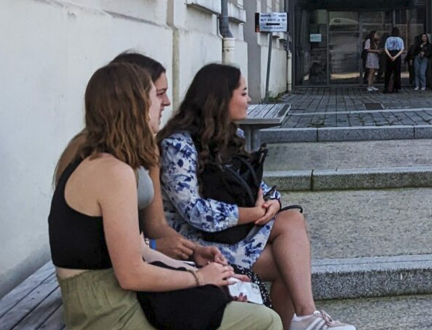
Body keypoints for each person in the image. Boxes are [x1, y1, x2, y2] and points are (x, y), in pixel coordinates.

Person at [51, 62, 279, 330]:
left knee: (240, 304)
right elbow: (131, 274)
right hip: (109, 312)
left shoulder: (107, 162)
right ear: (135, 106)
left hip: (118, 297)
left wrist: (198, 266)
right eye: (155, 96)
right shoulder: (112, 171)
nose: (164, 104)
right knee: (263, 322)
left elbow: (141, 251)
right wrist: (200, 279)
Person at [160, 64, 355, 330]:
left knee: (290, 221)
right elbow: (194, 210)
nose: (249, 99)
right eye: (243, 93)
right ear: (221, 99)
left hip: (228, 232)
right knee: (287, 263)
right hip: (195, 243)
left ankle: (305, 318)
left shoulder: (231, 135)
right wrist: (252, 214)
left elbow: (254, 184)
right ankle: (305, 318)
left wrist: (273, 203)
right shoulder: (178, 145)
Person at [382, 27, 405, 94]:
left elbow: (385, 48)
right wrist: (395, 56)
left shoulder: (388, 39)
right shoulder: (400, 39)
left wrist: (390, 56)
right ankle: (397, 87)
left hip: (389, 54)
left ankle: (386, 87)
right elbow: (402, 49)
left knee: (388, 73)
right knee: (397, 73)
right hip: (397, 55)